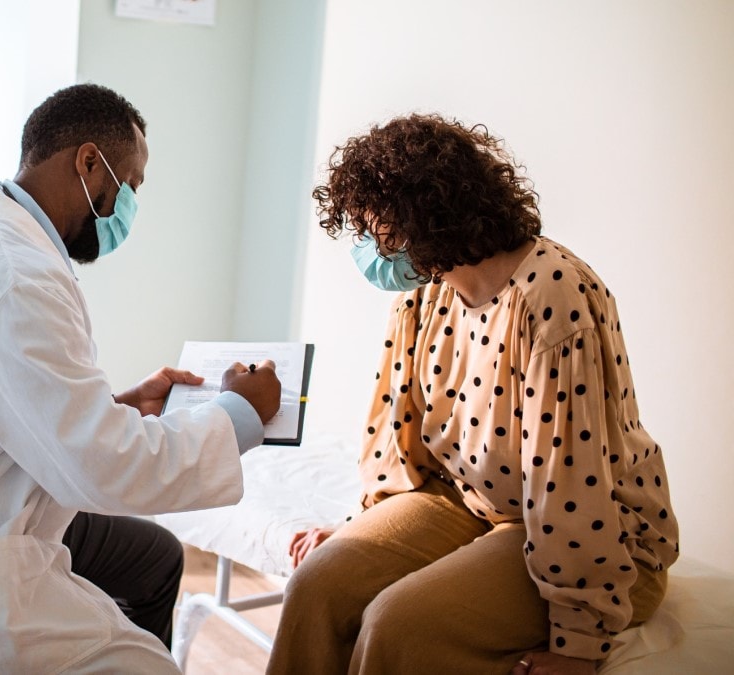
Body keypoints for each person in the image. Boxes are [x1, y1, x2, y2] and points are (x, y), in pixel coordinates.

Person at [0, 83, 282, 674]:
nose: (130, 210)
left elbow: (10, 398)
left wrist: (118, 403)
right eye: (132, 186)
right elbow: (105, 467)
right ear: (89, 163)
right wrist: (239, 413)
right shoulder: (16, 277)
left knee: (153, 559)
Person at [267, 114, 679, 675]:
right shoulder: (423, 294)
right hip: (465, 502)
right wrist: (360, 528)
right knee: (315, 586)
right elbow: (397, 439)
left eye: (372, 226)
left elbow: (569, 481)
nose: (366, 244)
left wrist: (578, 646)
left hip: (589, 533)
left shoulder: (554, 300)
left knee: (399, 621)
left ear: (426, 215)